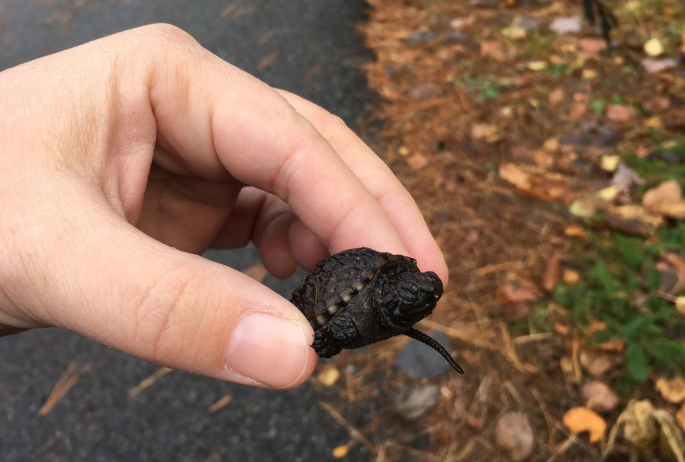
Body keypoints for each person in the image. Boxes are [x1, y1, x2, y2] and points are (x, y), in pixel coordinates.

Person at [0, 24, 447, 389]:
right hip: (341, 295)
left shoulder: (391, 288)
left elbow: (378, 314)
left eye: (420, 298)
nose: (423, 288)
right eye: (422, 289)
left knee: (340, 331)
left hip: (350, 295)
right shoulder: (388, 268)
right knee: (337, 329)